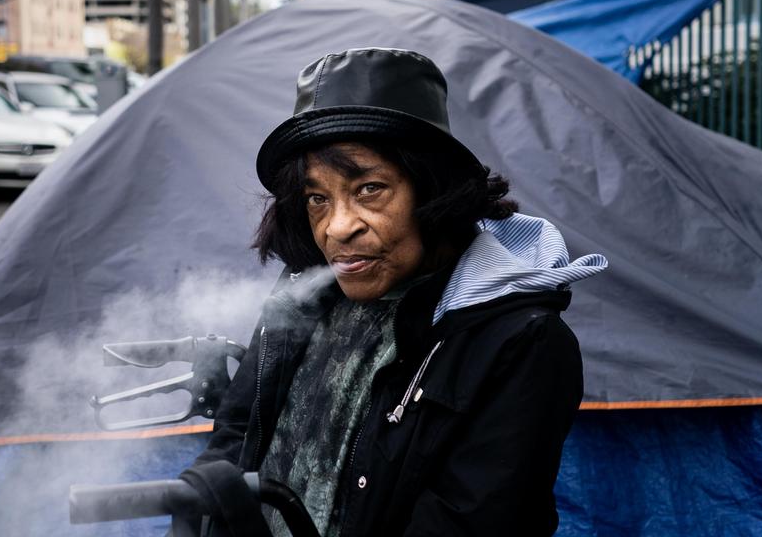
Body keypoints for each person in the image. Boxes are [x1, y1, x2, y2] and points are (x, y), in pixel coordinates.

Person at [191, 47, 607, 537]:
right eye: (317, 199)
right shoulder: (303, 295)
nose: (337, 228)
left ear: (432, 190)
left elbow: (468, 522)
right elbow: (238, 434)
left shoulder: (519, 342)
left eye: (369, 189)